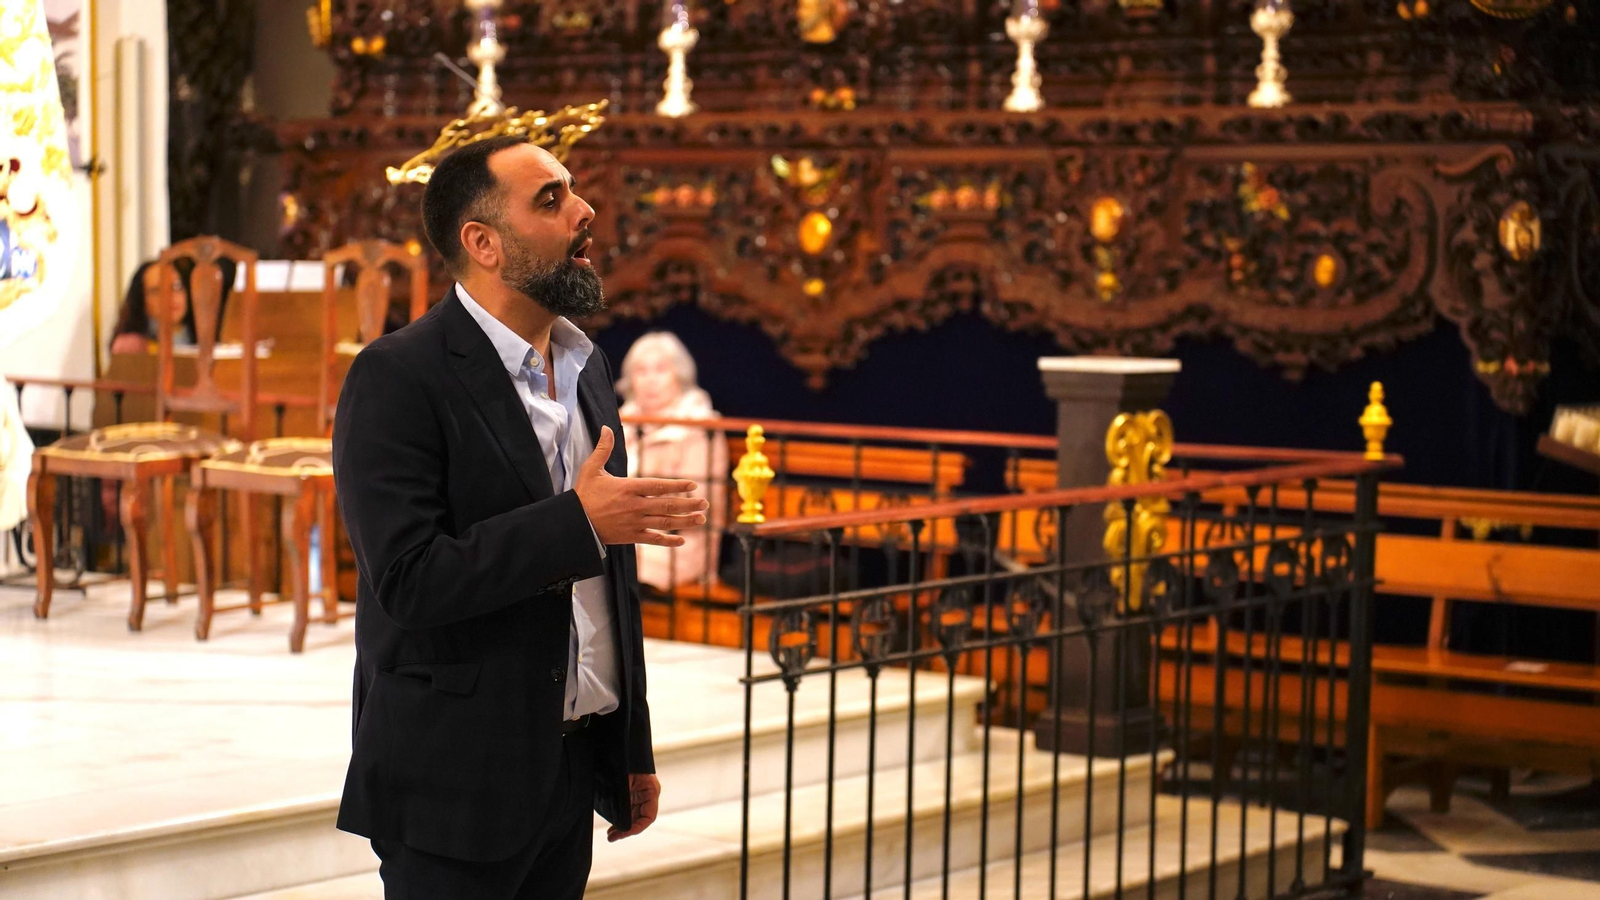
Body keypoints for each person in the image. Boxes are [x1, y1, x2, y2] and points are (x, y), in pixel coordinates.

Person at [331, 134, 708, 899]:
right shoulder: (397, 375)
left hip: (565, 768)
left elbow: (611, 586)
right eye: (551, 198)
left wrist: (628, 743)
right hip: (451, 781)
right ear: (484, 244)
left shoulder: (587, 365)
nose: (584, 210)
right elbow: (408, 580)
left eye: (571, 191)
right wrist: (577, 522)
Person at [618, 331, 725, 591]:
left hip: (680, 542)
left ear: (680, 375)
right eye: (641, 371)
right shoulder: (619, 421)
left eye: (661, 369)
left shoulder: (700, 426)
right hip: (624, 534)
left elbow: (696, 501)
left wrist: (629, 504)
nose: (650, 380)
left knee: (613, 561)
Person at [108, 257, 236, 354]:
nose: (171, 296)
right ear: (142, 299)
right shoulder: (131, 346)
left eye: (176, 286)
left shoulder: (210, 335)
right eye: (158, 290)